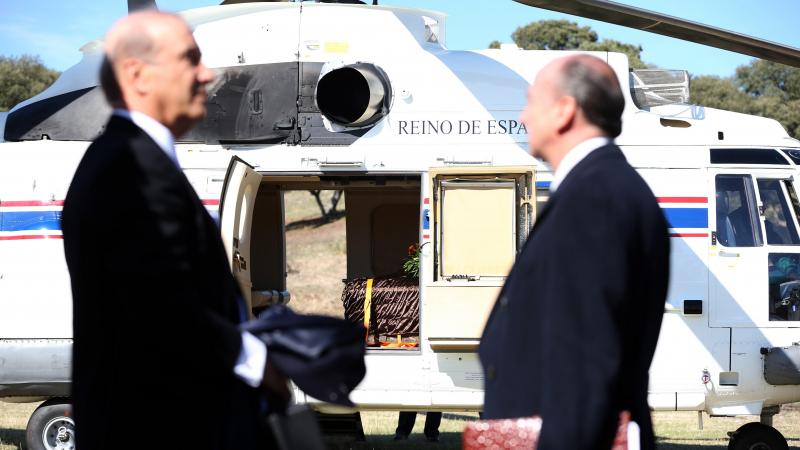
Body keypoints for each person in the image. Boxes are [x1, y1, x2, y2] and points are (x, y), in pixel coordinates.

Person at [61, 11, 288, 450]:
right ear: (137, 74)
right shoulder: (129, 169)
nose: (208, 74)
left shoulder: (135, 161)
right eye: (190, 59)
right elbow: (161, 306)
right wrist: (261, 360)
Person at [479, 55, 670, 449]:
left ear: (565, 111)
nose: (523, 116)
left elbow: (582, 368)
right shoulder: (603, 189)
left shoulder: (593, 200)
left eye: (532, 101)